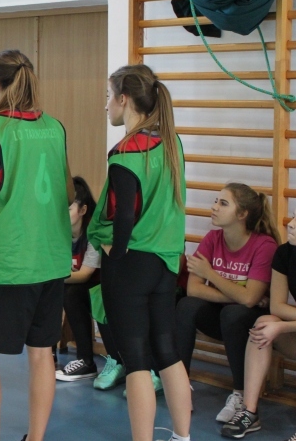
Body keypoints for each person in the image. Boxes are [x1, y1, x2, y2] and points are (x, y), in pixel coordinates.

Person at [0, 50, 73, 441]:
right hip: (52, 258)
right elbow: (67, 191)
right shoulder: (55, 126)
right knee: (42, 354)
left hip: (9, 262)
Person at [88, 64, 192, 441]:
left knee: (135, 361)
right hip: (166, 264)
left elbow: (124, 219)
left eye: (108, 96)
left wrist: (112, 254)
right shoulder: (171, 142)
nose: (106, 105)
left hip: (131, 266)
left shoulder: (126, 152)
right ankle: (183, 436)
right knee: (167, 351)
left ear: (124, 99)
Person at [175, 183, 278, 423]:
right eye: (215, 201)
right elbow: (193, 289)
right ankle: (180, 386)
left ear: (242, 214)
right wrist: (239, 295)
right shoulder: (213, 238)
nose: (214, 207)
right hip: (222, 315)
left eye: (223, 203)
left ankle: (240, 394)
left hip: (247, 321)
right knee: (187, 306)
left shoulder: (264, 245)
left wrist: (210, 274)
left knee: (233, 314)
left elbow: (249, 300)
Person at [221, 213, 296, 439]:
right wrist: (281, 325)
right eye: (294, 217)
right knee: (263, 324)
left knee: (274, 326)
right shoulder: (284, 253)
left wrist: (283, 327)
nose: (291, 225)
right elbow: (277, 306)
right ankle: (249, 412)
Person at [55, 176, 126, 388]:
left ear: (83, 210)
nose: (62, 213)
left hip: (104, 285)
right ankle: (50, 353)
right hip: (79, 284)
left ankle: (97, 360)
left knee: (73, 294)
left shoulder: (93, 232)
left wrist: (53, 275)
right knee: (51, 290)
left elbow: (85, 274)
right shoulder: (58, 231)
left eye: (68, 208)